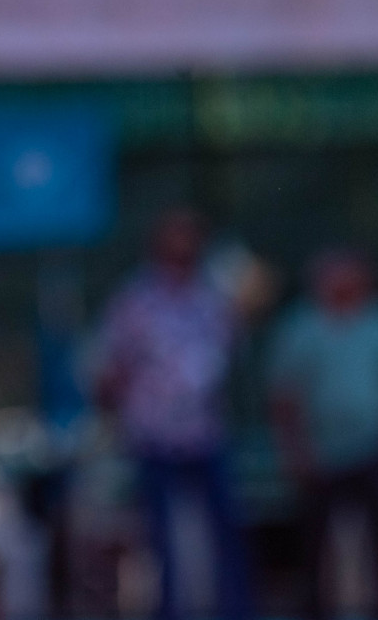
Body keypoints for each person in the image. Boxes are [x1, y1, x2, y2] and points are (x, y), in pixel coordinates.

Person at [95, 208, 254, 620]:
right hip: (154, 435)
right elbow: (112, 368)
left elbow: (230, 348)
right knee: (161, 541)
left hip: (206, 433)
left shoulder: (212, 295)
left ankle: (238, 610)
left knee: (226, 534)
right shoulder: (135, 299)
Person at [268, 247, 378, 620]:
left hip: (374, 447)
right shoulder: (301, 328)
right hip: (318, 451)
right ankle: (313, 610)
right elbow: (283, 399)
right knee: (315, 542)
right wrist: (294, 452)